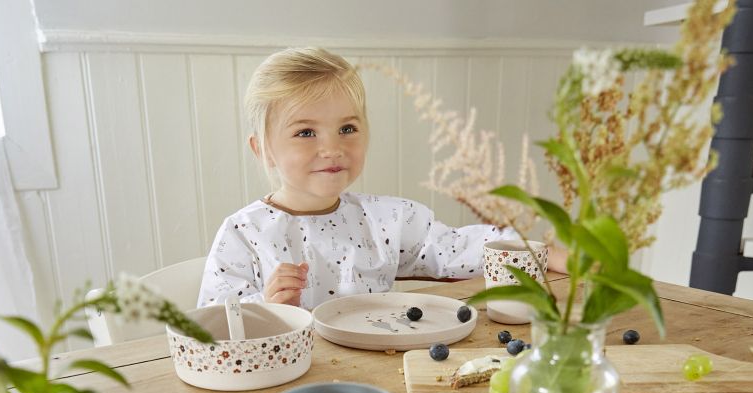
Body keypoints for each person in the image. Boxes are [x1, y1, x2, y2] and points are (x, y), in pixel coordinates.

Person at [197, 47, 562, 310]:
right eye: (306, 132)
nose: (332, 147)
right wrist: (269, 305)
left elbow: (459, 248)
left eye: (347, 128)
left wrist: (543, 253)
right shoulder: (244, 235)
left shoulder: (388, 220)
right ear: (263, 150)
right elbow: (212, 328)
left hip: (382, 371)